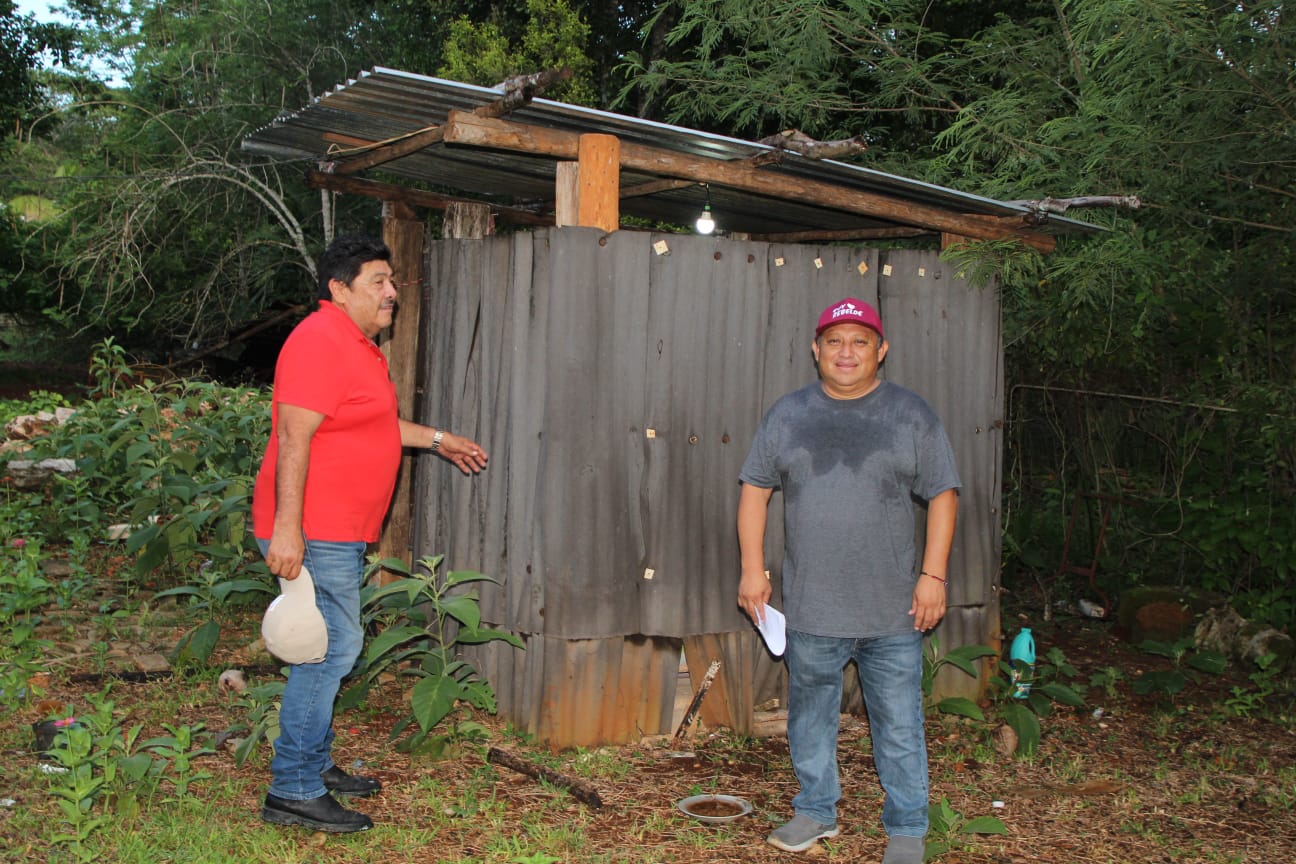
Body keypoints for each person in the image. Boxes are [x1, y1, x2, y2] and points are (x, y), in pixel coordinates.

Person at [251, 233, 488, 833]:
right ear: (339, 289)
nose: (391, 294)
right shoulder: (320, 340)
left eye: (391, 282)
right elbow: (294, 438)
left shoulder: (356, 345)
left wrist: (438, 439)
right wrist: (287, 530)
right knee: (330, 652)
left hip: (337, 530)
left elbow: (371, 423)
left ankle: (313, 763)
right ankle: (294, 789)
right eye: (378, 283)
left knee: (327, 648)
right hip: (313, 529)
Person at [736, 297, 960, 862]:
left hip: (893, 611)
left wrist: (933, 576)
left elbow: (943, 494)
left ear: (880, 351)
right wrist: (751, 570)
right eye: (834, 340)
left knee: (900, 722)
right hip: (813, 607)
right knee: (810, 717)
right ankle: (815, 810)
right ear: (816, 350)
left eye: (860, 341)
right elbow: (755, 491)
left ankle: (908, 824)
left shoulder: (911, 415)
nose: (846, 351)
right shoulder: (788, 415)